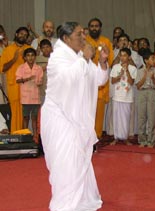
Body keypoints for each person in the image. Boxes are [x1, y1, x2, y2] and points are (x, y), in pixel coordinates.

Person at [41, 22, 109, 211]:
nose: (84, 38)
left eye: (84, 34)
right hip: (59, 118)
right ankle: (65, 203)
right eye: (79, 34)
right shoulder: (58, 58)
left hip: (76, 119)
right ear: (66, 38)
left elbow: (99, 80)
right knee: (65, 162)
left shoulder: (79, 56)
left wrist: (102, 62)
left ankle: (80, 199)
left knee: (78, 160)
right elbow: (68, 80)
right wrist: (85, 58)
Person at [86, 17, 114, 139]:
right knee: (86, 114)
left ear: (100, 28)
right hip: (86, 84)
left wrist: (103, 57)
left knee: (98, 114)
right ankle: (86, 137)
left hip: (100, 85)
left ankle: (96, 138)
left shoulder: (106, 41)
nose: (94, 28)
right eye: (92, 26)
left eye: (96, 26)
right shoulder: (84, 41)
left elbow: (111, 60)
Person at [0, 26, 30, 133]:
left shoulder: (28, 49)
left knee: (25, 112)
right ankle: (15, 136)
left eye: (26, 35)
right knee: (14, 112)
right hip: (13, 86)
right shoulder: (8, 50)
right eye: (21, 34)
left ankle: (24, 135)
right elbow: (2, 68)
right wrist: (14, 59)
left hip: (26, 86)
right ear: (16, 34)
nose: (23, 36)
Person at [110, 48, 137, 145]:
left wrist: (127, 71)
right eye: (121, 55)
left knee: (126, 118)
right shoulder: (115, 67)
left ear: (129, 57)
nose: (122, 57)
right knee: (116, 118)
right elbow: (113, 81)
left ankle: (125, 138)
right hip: (117, 96)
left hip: (127, 97)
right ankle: (116, 138)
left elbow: (132, 82)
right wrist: (119, 75)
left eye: (125, 55)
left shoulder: (133, 68)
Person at [135, 49, 155, 147]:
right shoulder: (140, 71)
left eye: (154, 58)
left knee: (152, 117)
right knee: (141, 117)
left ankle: (151, 140)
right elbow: (138, 86)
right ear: (146, 60)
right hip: (142, 93)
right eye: (152, 58)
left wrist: (153, 78)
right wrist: (145, 76)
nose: (154, 60)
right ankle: (142, 140)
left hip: (152, 92)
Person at [16, 48, 43, 142]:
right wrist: (28, 79)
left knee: (35, 117)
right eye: (28, 55)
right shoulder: (21, 68)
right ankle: (25, 136)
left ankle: (35, 137)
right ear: (25, 57)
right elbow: (18, 80)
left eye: (32, 55)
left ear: (35, 57)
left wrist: (38, 82)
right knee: (25, 117)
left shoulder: (38, 68)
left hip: (35, 97)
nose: (30, 57)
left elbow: (40, 81)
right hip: (25, 97)